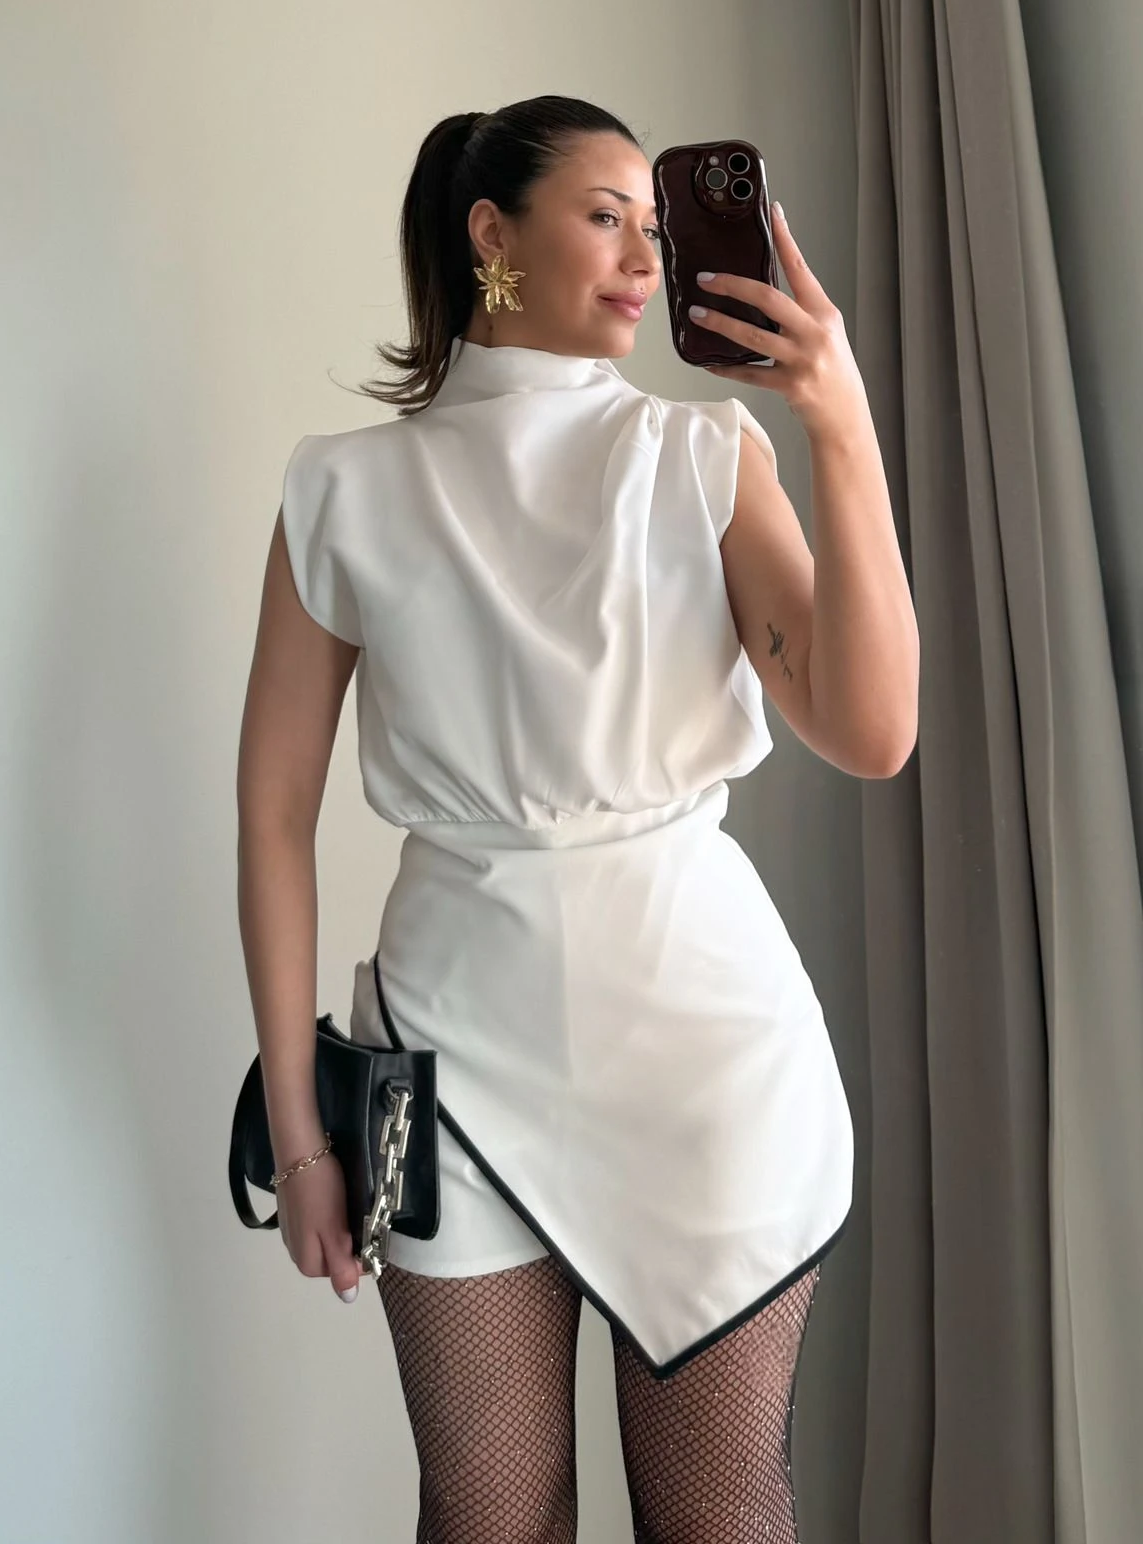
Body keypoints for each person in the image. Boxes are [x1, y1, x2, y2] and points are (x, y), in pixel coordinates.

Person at [236, 95, 919, 1543]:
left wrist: (838, 422)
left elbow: (873, 732)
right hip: (452, 1060)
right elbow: (272, 814)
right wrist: (300, 1136)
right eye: (607, 217)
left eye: (655, 229)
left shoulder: (703, 454)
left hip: (704, 1060)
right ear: (492, 232)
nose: (645, 260)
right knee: (489, 1518)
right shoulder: (343, 488)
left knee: (719, 1516)